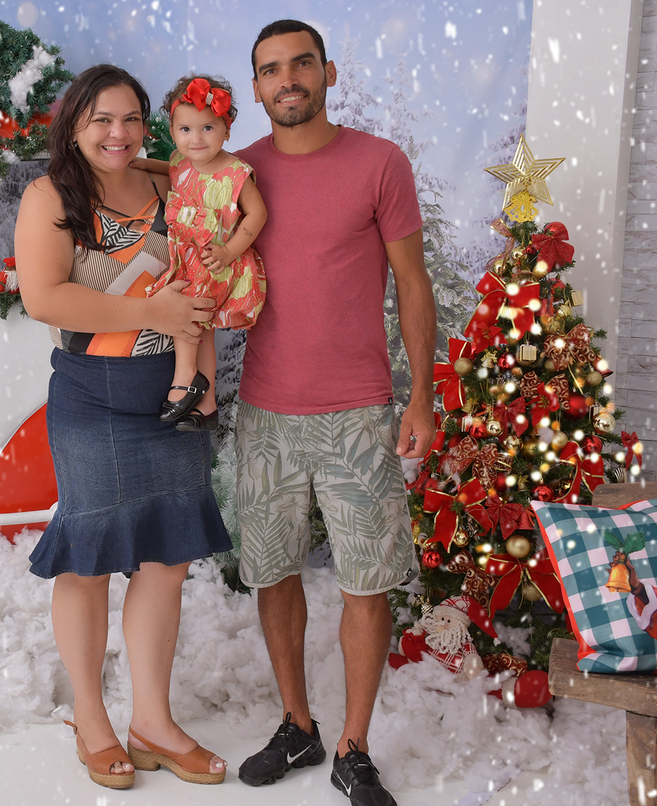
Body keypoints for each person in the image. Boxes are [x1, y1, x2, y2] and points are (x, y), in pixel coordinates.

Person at [231, 20, 437, 806]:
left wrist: (421, 395)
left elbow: (412, 282)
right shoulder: (238, 173)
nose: (287, 79)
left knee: (365, 582)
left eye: (301, 64)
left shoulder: (379, 163)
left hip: (357, 412)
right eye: (270, 69)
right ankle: (297, 725)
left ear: (328, 73)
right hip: (265, 409)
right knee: (274, 571)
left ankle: (353, 747)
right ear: (256, 86)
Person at [13, 64, 233, 790]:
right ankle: (90, 717)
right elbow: (44, 298)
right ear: (74, 124)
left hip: (173, 390)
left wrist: (200, 377)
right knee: (89, 558)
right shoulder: (51, 195)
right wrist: (150, 312)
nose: (119, 132)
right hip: (94, 398)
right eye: (102, 119)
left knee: (167, 559)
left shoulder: (172, 185)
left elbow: (208, 256)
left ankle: (152, 723)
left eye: (132, 118)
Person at [134, 74, 268, 432]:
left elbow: (258, 214)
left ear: (226, 129)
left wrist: (229, 251)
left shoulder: (236, 174)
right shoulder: (180, 161)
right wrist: (145, 165)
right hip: (188, 260)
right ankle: (206, 407)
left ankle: (184, 377)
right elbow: (171, 169)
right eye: (185, 130)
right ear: (173, 131)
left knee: (186, 307)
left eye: (208, 128)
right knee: (203, 328)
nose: (196, 139)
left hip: (218, 262)